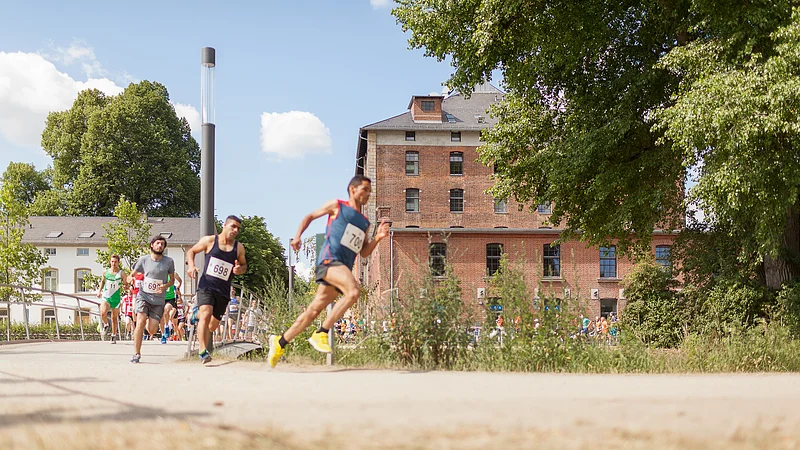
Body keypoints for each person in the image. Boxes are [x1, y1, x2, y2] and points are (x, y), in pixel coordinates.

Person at [268, 175, 389, 368]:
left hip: (342, 268)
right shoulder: (337, 205)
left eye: (370, 191)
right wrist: (298, 236)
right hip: (329, 261)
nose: (368, 194)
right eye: (364, 189)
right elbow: (310, 216)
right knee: (353, 291)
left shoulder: (365, 223)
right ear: (352, 189)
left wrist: (378, 238)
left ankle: (280, 342)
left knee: (313, 311)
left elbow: (364, 252)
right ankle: (321, 332)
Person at [186, 215, 247, 364]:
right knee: (206, 314)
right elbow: (191, 251)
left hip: (223, 291)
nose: (235, 230)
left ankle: (196, 314)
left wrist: (240, 269)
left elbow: (244, 265)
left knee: (212, 326)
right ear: (224, 225)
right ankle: (202, 351)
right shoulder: (210, 241)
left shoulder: (238, 247)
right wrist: (191, 266)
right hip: (206, 286)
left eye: (238, 228)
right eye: (233, 226)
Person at [127, 236, 175, 363]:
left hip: (158, 300)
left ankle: (151, 324)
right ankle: (136, 353)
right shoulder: (143, 260)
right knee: (140, 321)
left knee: (152, 329)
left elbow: (172, 280)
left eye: (162, 244)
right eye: (158, 243)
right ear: (152, 245)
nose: (160, 246)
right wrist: (130, 279)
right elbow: (131, 274)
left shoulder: (169, 262)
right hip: (143, 296)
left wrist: (164, 286)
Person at [96, 255, 127, 344]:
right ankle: (106, 323)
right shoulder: (106, 272)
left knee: (114, 318)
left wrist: (125, 286)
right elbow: (102, 282)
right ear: (110, 262)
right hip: (106, 296)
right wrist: (99, 291)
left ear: (118, 262)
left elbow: (125, 284)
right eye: (112, 261)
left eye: (115, 262)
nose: (113, 263)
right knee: (103, 313)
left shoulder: (121, 273)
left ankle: (113, 335)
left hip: (116, 297)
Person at [160, 272, 183, 344]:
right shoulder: (159, 274)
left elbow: (180, 281)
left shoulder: (174, 274)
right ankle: (163, 335)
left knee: (166, 310)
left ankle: (167, 326)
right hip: (161, 298)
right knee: (161, 319)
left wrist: (176, 288)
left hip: (170, 298)